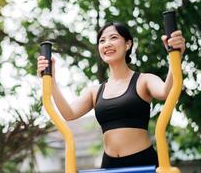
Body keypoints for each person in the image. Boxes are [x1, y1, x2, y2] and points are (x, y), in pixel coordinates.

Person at [37, 22, 185, 168]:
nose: (107, 44)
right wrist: (51, 80)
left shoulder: (144, 80)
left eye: (113, 38)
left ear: (128, 44)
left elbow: (166, 92)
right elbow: (68, 113)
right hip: (109, 165)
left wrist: (175, 55)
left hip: (142, 162)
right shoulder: (94, 91)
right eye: (102, 41)